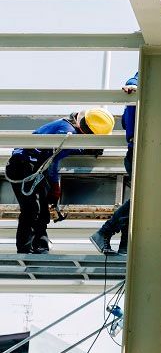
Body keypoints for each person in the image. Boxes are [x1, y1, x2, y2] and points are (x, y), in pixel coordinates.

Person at [5, 108, 115, 254]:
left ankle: (40, 245)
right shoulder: (66, 132)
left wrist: (86, 150)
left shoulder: (68, 130)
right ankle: (25, 249)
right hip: (24, 166)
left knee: (41, 210)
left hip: (35, 167)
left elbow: (63, 150)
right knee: (31, 209)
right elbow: (54, 159)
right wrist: (55, 186)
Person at [90, 72, 137, 255]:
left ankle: (124, 246)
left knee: (138, 201)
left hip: (137, 152)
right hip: (139, 152)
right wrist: (133, 88)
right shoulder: (137, 84)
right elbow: (132, 84)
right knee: (142, 199)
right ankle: (105, 232)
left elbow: (125, 124)